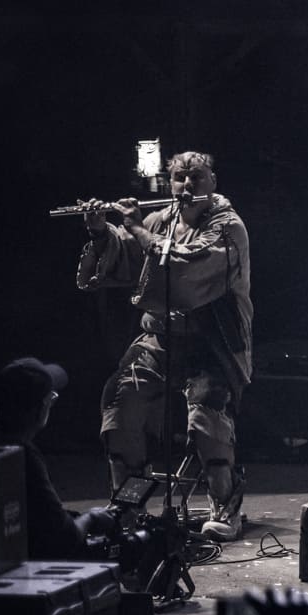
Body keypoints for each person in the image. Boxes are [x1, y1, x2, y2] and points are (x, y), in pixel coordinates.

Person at [75, 150, 253, 541]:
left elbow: (186, 266)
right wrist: (101, 230)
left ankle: (226, 504)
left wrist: (137, 228)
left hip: (212, 342)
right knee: (119, 402)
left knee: (206, 416)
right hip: (160, 338)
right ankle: (127, 504)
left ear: (213, 181)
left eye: (197, 178)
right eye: (179, 179)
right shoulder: (163, 218)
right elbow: (124, 256)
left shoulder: (227, 225)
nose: (187, 186)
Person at [0, 358, 113, 560]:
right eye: (51, 399)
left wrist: (71, 517)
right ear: (41, 408)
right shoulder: (21, 456)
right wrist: (90, 518)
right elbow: (65, 539)